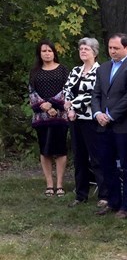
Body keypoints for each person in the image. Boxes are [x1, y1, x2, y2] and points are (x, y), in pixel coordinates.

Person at [92, 33, 127, 218]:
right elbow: (96, 93)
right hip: (103, 125)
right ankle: (113, 201)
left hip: (125, 125)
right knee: (107, 165)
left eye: (116, 48)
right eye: (110, 48)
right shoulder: (103, 68)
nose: (112, 51)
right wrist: (97, 113)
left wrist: (111, 115)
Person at [63, 37, 109, 207]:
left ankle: (104, 195)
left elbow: (93, 94)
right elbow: (67, 90)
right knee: (79, 157)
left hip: (91, 119)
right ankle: (81, 194)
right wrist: (69, 110)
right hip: (74, 120)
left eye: (86, 49)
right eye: (81, 48)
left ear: (94, 52)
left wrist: (73, 105)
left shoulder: (100, 71)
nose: (82, 51)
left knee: (97, 158)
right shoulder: (75, 70)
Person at [28, 40, 70, 197]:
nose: (47, 53)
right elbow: (31, 92)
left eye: (49, 51)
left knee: (60, 149)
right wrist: (44, 106)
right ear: (39, 53)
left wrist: (52, 105)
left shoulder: (63, 70)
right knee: (45, 150)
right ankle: (49, 184)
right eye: (44, 51)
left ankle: (59, 184)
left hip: (59, 115)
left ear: (54, 53)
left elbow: (67, 89)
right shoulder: (35, 72)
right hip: (41, 116)